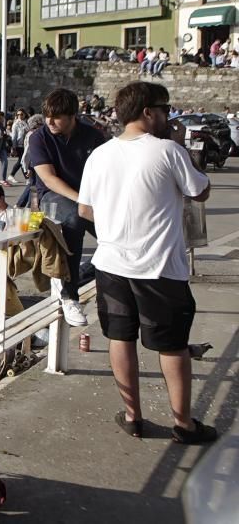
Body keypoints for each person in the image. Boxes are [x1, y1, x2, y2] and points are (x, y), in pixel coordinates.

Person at [78, 81, 216, 444]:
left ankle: (132, 416)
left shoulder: (99, 154)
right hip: (159, 268)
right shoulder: (168, 150)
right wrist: (181, 144)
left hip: (110, 264)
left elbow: (84, 209)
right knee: (172, 345)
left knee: (120, 338)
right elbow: (199, 190)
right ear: (148, 112)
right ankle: (183, 424)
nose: (169, 116)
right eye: (166, 109)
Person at [26, 87, 108, 326]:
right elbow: (49, 178)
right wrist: (84, 201)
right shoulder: (39, 137)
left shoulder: (93, 136)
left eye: (57, 116)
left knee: (114, 233)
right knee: (74, 219)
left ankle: (95, 276)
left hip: (90, 196)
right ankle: (69, 295)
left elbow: (107, 173)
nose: (49, 121)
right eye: (47, 115)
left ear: (73, 116)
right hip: (51, 196)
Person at [8, 110, 29, 183]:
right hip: (20, 145)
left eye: (21, 114)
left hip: (27, 144)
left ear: (24, 115)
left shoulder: (26, 123)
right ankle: (27, 178)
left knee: (22, 161)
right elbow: (14, 136)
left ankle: (11, 175)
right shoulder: (16, 124)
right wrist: (14, 147)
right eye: (18, 114)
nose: (19, 116)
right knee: (22, 161)